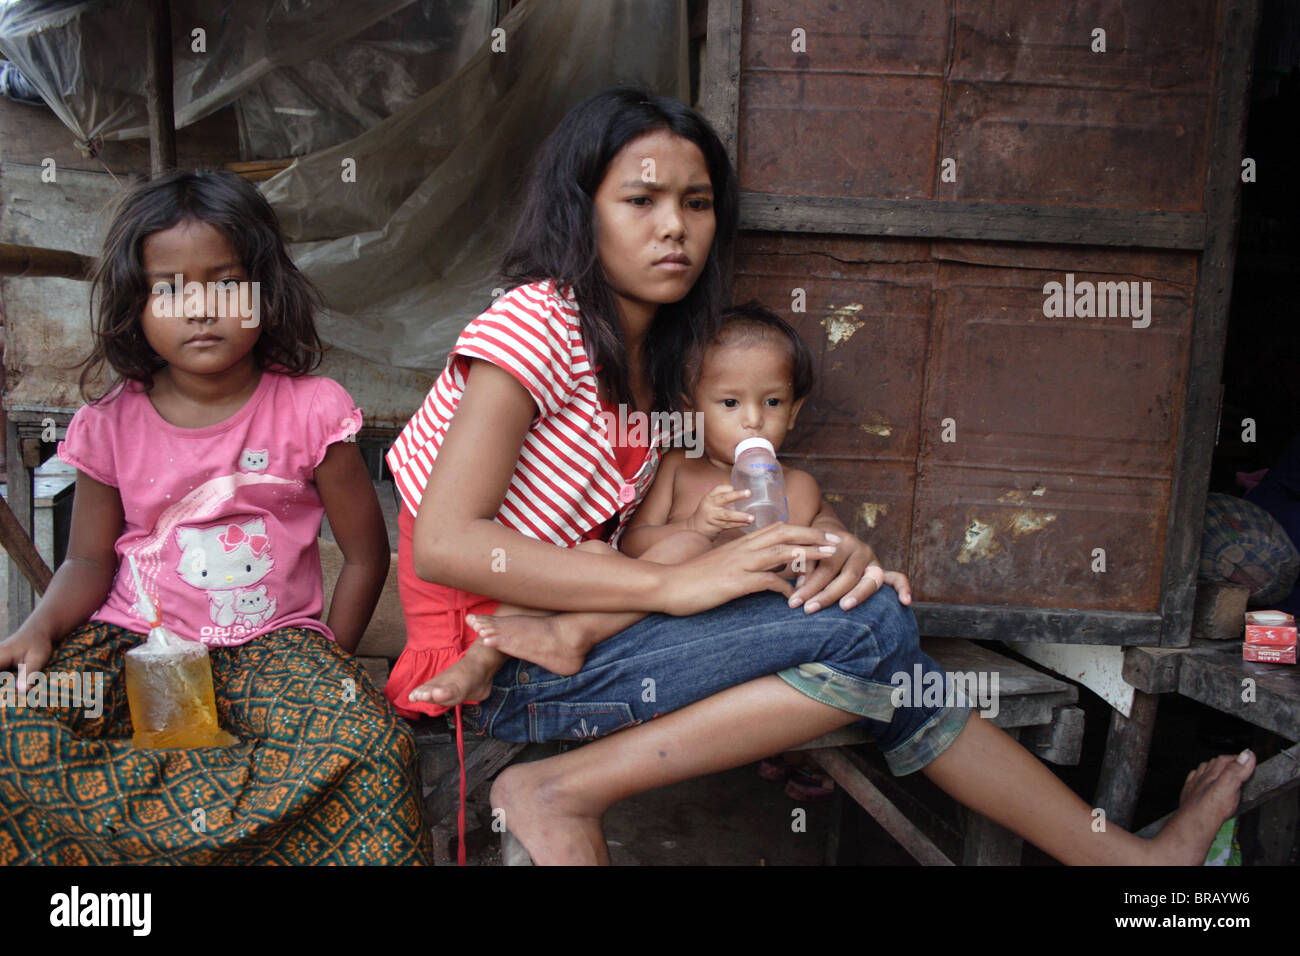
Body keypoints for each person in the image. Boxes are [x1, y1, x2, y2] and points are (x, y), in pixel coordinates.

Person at [384, 86, 1254, 865]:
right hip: (496, 663)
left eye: (696, 203)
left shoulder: (662, 360)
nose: (674, 227)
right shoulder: (535, 325)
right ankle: (557, 788)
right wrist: (666, 587)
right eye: (639, 200)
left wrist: (833, 548)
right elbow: (448, 540)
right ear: (582, 212)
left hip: (586, 631)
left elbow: (726, 520)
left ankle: (1130, 869)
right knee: (873, 630)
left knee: (873, 623)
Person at [0, 169, 432, 865]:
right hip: (135, 642)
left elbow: (364, 555)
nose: (199, 307)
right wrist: (37, 627)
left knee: (373, 746)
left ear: (265, 289)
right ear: (135, 305)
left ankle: (189, 833)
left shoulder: (313, 410)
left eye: (224, 281)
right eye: (167, 288)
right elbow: (86, 561)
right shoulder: (107, 425)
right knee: (16, 732)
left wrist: (332, 657)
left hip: (273, 645)